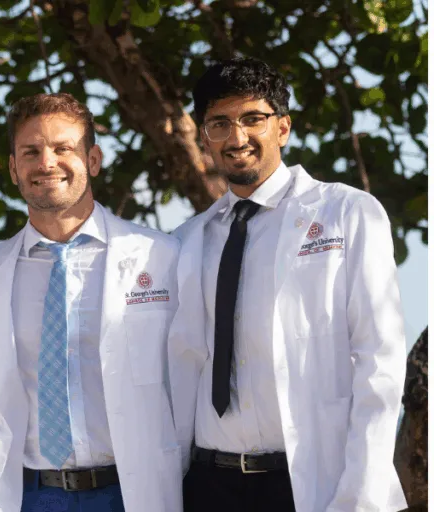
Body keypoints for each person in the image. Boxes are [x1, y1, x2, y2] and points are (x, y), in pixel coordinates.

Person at [168, 57, 408, 511]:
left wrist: (362, 491)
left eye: (252, 119)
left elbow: (380, 360)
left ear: (283, 127)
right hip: (208, 485)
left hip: (308, 483)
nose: (237, 138)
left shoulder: (346, 213)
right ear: (205, 136)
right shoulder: (186, 240)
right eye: (219, 123)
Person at [0, 93, 182, 512]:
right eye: (31, 151)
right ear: (14, 168)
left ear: (94, 159)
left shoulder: (162, 257)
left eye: (63, 148)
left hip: (131, 491)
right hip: (31, 495)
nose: (46, 163)